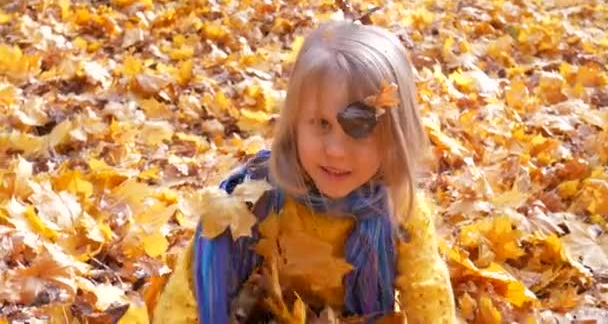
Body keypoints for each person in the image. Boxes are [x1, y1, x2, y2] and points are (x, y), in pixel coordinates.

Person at [153, 20, 456, 323]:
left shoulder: (401, 208)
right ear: (294, 124)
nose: (336, 150)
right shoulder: (256, 195)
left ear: (395, 136)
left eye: (360, 130)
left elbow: (427, 297)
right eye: (322, 124)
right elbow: (187, 292)